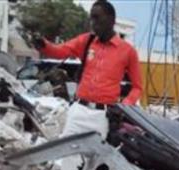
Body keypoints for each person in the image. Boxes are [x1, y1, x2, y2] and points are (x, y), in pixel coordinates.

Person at [34, 0, 142, 139]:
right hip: (78, 111)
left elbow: (137, 87)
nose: (93, 22)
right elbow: (60, 51)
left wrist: (123, 107)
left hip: (102, 116)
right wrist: (44, 45)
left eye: (97, 17)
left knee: (94, 159)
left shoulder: (128, 51)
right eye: (91, 17)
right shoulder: (86, 41)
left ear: (111, 20)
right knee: (67, 154)